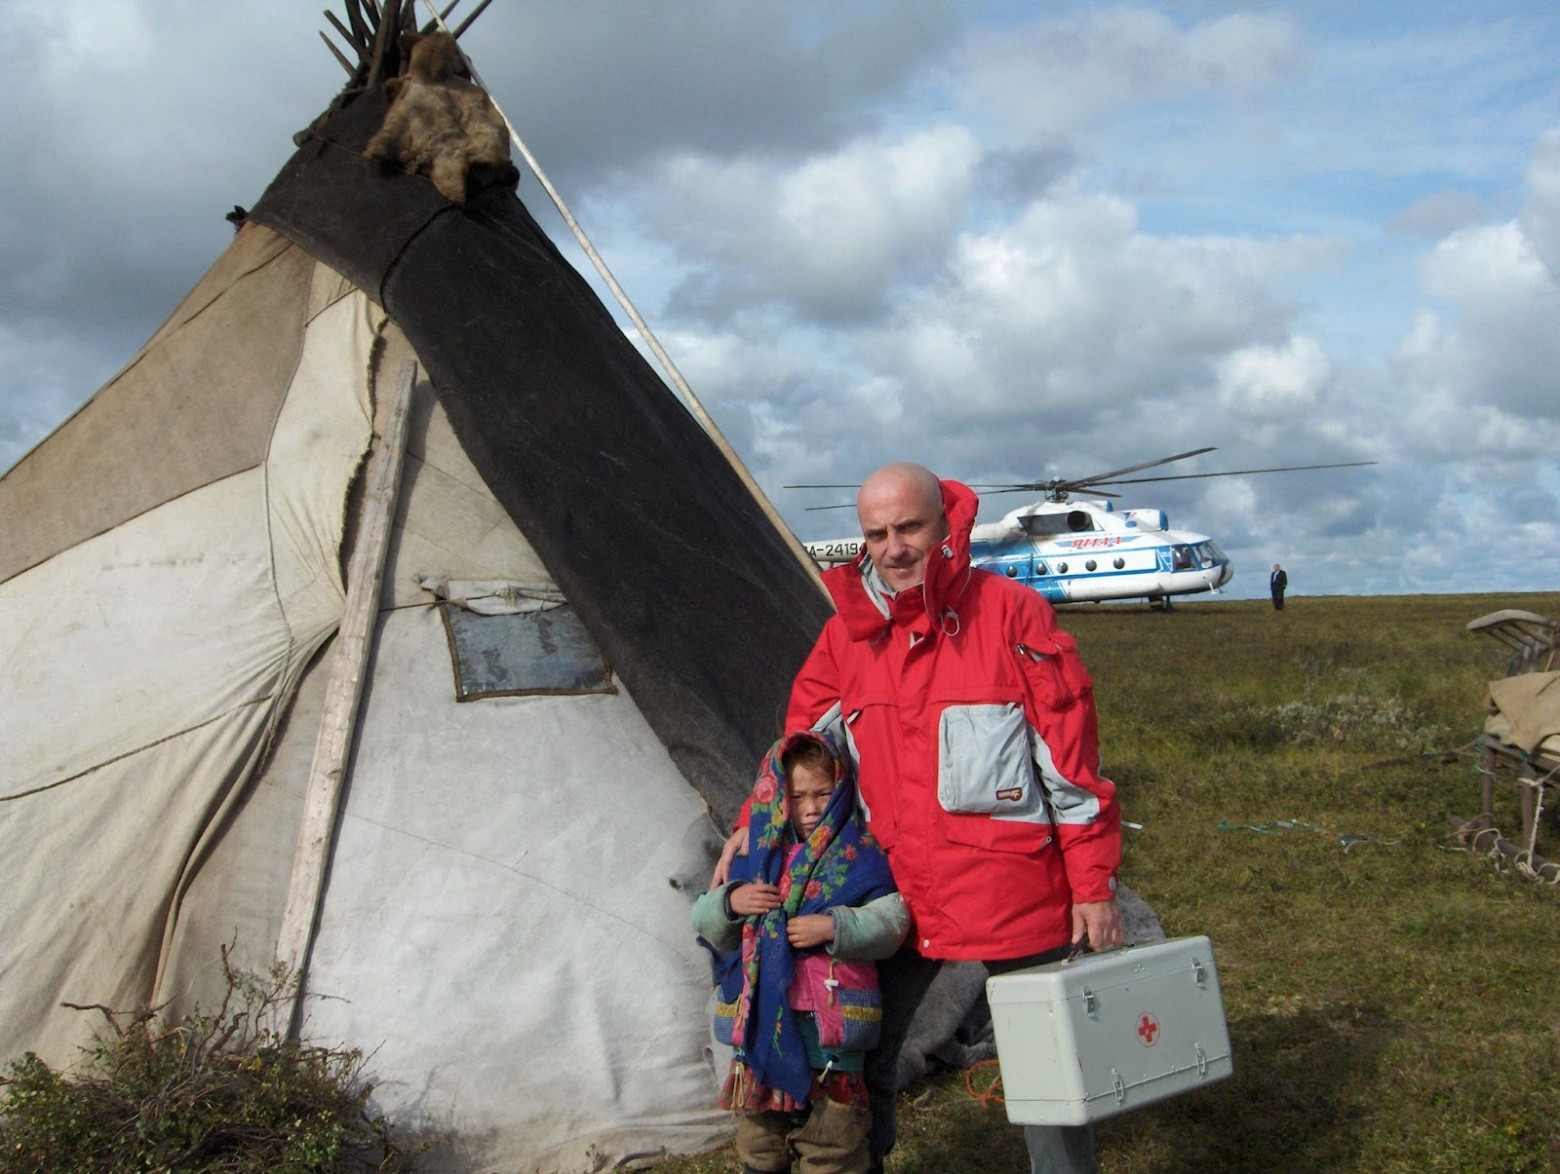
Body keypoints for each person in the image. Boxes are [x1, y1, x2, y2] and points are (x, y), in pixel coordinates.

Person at [717, 463, 1123, 1174]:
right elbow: (801, 750)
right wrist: (754, 825)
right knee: (863, 1056)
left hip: (1013, 891)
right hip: (895, 893)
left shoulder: (1012, 613)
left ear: (946, 524)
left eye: (909, 528)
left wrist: (1092, 884)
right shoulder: (847, 636)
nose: (894, 547)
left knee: (1047, 1069)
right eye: (876, 534)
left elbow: (1069, 766)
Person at [695, 731, 909, 1174]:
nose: (810, 807)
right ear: (775, 796)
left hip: (831, 1041)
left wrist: (835, 926)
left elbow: (893, 921)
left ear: (842, 789)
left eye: (822, 794)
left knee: (834, 1146)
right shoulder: (753, 861)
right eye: (796, 796)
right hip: (760, 1042)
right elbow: (704, 919)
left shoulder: (857, 856)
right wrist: (732, 903)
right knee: (761, 1144)